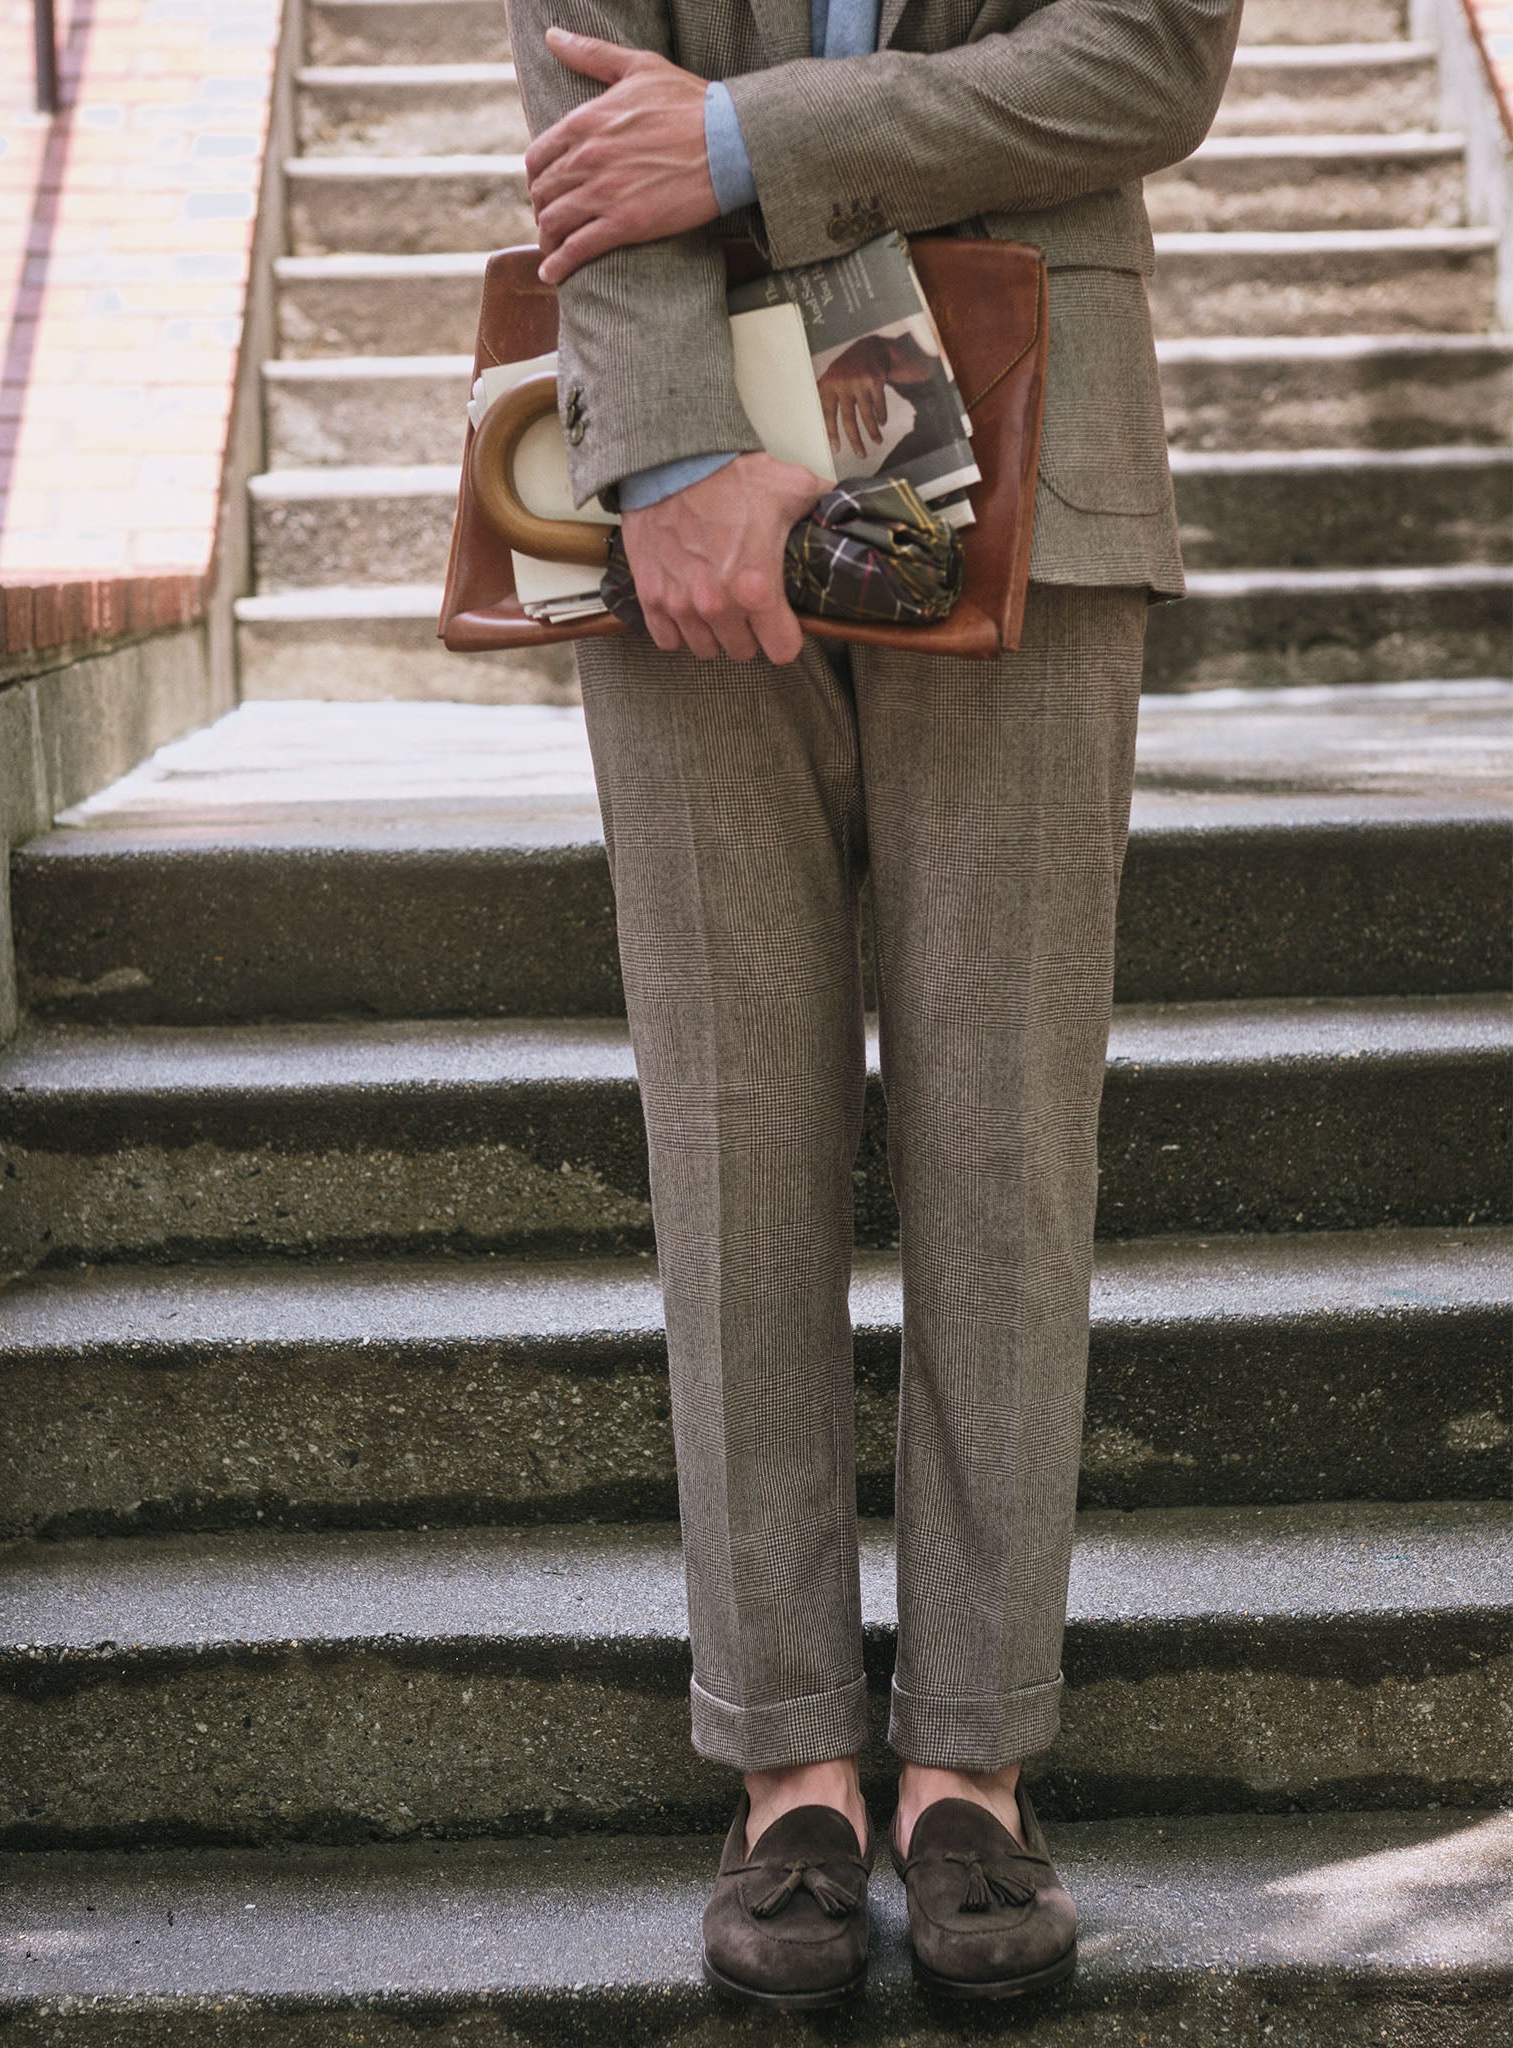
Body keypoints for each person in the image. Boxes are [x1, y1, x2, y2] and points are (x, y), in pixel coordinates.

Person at [506, 0, 1242, 2008]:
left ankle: (973, 1755)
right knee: (733, 1125)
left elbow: (1152, 63)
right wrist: (667, 452)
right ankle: (787, 1758)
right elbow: (583, 109)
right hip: (674, 502)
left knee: (1003, 1126)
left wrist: (751, 137)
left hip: (1035, 436)